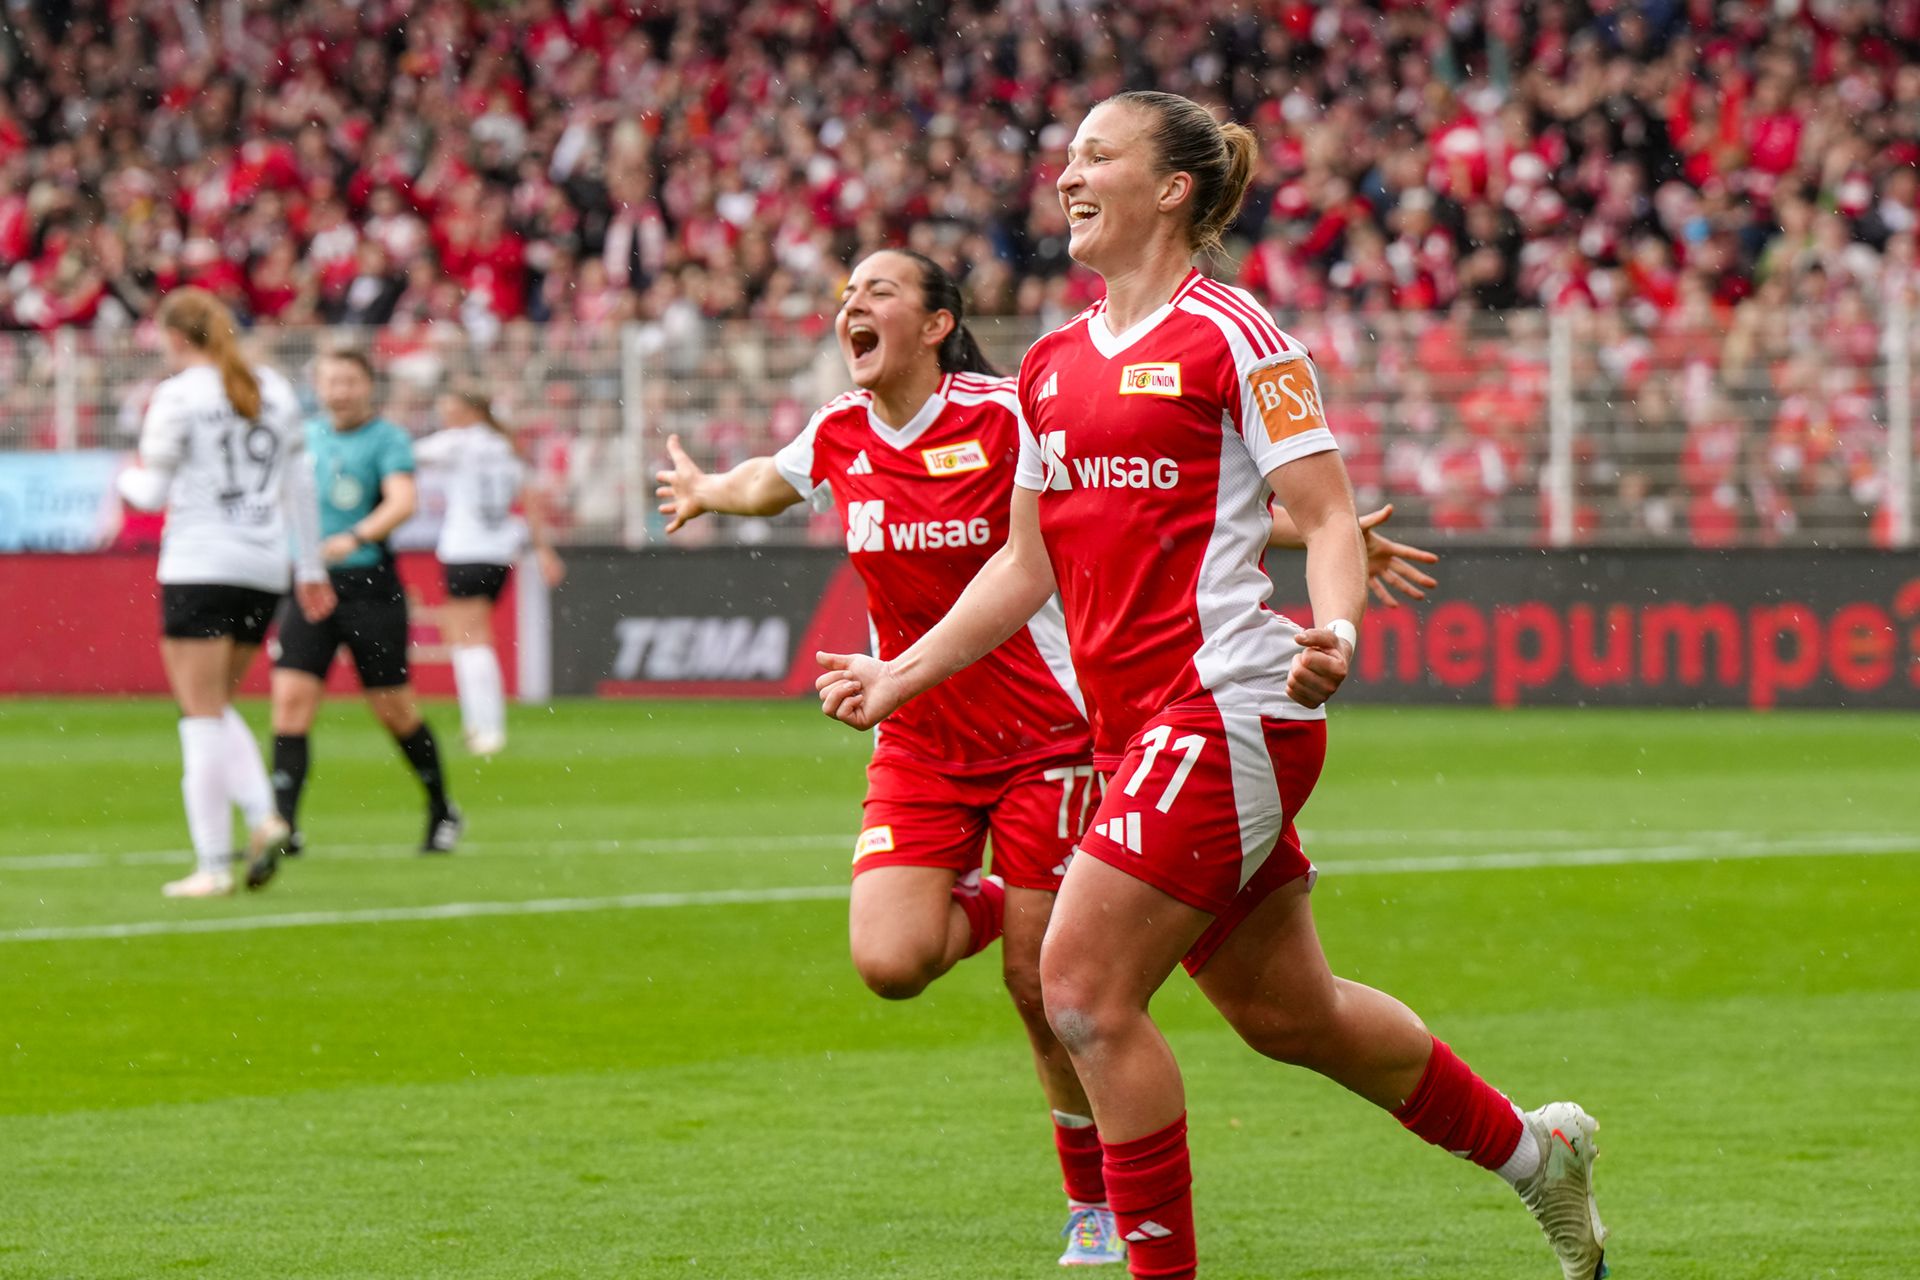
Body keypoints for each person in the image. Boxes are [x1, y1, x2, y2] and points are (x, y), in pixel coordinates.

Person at [816, 93, 1607, 1280]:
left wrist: (1333, 627)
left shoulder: (1236, 334)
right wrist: (902, 670)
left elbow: (1331, 512)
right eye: (1067, 157)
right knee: (1294, 1014)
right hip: (1128, 735)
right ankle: (1539, 1156)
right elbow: (1025, 562)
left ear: (1172, 187)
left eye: (1096, 155)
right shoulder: (1048, 363)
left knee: (1078, 988)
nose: (1066, 176)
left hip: (1230, 706)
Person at [658, 248, 1441, 1269]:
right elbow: (771, 479)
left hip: (1047, 734)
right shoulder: (841, 433)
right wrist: (711, 490)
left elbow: (1137, 491)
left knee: (1049, 986)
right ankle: (987, 901)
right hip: (921, 736)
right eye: (845, 292)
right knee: (890, 963)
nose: (851, 303)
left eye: (878, 290)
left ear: (938, 322)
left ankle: (1092, 1204)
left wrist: (1320, 537)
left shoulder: (1005, 409)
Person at [116, 288, 334, 898]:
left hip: (199, 560)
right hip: (263, 568)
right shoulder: (274, 389)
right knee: (214, 708)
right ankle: (244, 835)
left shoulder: (179, 395)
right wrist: (310, 567)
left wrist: (125, 480)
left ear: (175, 338)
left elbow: (151, 493)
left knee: (199, 715)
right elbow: (301, 483)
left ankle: (230, 847)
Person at [267, 347, 462, 871]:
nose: (339, 391)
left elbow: (402, 502)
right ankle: (285, 825)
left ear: (367, 386)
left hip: (369, 588)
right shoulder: (304, 437)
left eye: (349, 381)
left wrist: (353, 537)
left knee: (394, 710)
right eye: (331, 381)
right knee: (289, 703)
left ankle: (442, 809)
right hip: (310, 587)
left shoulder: (388, 439)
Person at [413, 383, 566, 756]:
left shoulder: (458, 443)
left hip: (466, 549)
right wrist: (543, 549)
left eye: (451, 411)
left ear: (471, 413)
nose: (446, 419)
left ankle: (487, 726)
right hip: (499, 553)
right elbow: (528, 500)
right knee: (470, 636)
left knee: (469, 639)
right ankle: (478, 723)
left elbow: (406, 453)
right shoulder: (507, 448)